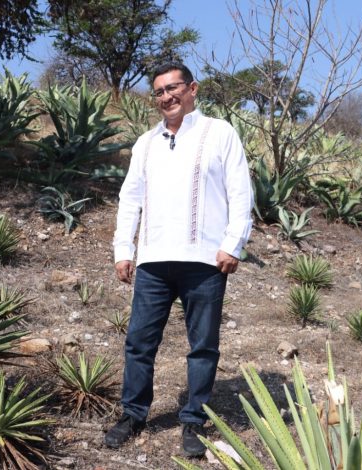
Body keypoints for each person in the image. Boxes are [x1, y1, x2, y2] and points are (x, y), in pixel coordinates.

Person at [105, 62, 254, 457]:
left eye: (173, 88)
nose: (166, 97)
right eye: (159, 91)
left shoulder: (219, 133)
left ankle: (193, 419)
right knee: (139, 342)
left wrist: (233, 244)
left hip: (204, 261)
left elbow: (241, 192)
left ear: (192, 89)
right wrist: (124, 249)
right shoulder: (146, 143)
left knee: (202, 346)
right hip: (153, 261)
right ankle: (133, 414)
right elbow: (130, 198)